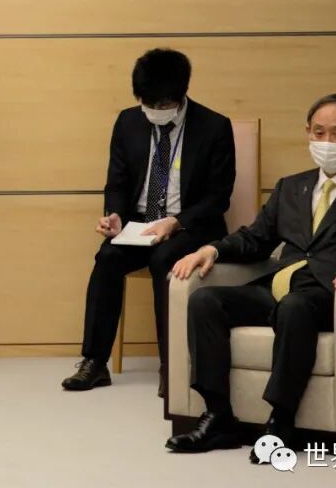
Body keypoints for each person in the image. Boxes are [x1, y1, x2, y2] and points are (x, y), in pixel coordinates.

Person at [166, 93, 336, 460]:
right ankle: (218, 416)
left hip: (329, 293)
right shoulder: (290, 186)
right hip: (280, 287)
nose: (326, 142)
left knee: (295, 307)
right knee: (206, 299)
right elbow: (256, 238)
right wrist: (213, 250)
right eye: (319, 132)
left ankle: (280, 421)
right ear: (308, 133)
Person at [63, 49, 235, 397]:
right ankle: (94, 362)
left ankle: (171, 365)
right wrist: (114, 214)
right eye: (147, 103)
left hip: (189, 225)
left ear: (181, 95)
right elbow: (117, 182)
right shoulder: (127, 122)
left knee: (164, 259)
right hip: (139, 225)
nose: (154, 110)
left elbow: (218, 197)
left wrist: (176, 222)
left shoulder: (214, 127)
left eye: (162, 104)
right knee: (108, 258)